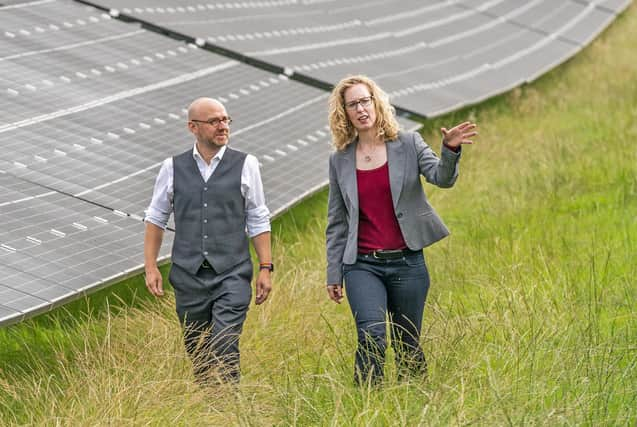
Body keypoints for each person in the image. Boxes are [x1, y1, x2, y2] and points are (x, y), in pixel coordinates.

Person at [325, 75, 477, 384]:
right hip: (362, 265)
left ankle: (412, 402)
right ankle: (367, 405)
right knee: (371, 335)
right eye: (352, 104)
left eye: (364, 101)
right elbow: (337, 221)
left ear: (376, 102)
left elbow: (442, 178)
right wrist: (333, 272)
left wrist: (449, 150)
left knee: (407, 342)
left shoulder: (407, 143)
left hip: (408, 262)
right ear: (344, 113)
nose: (360, 109)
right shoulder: (339, 160)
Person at [143, 97, 273, 384]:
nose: (223, 126)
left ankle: (231, 404)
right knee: (197, 349)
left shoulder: (246, 164)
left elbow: (258, 217)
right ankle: (208, 402)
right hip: (188, 274)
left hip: (232, 272)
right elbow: (156, 217)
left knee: (225, 342)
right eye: (214, 121)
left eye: (226, 120)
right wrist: (150, 266)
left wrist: (266, 267)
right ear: (193, 127)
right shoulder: (172, 167)